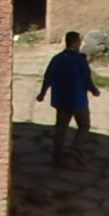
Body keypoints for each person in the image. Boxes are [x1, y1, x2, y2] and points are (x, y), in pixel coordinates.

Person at [41, 28, 97, 164]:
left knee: (60, 129)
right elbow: (86, 79)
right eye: (79, 42)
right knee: (84, 125)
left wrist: (42, 93)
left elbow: (48, 77)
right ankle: (76, 148)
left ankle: (57, 158)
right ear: (75, 43)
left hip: (61, 100)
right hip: (78, 100)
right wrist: (94, 90)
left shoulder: (57, 59)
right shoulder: (80, 60)